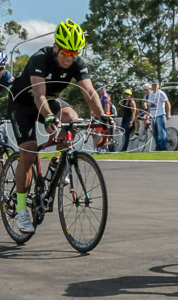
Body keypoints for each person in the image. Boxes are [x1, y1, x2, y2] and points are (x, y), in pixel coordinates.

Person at [7, 19, 114, 234]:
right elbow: (39, 95)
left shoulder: (76, 62)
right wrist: (47, 116)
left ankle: (58, 162)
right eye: (65, 52)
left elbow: (89, 91)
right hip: (23, 104)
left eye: (74, 53)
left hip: (49, 101)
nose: (69, 58)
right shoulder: (40, 58)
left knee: (72, 117)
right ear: (55, 47)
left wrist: (103, 117)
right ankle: (21, 210)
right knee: (27, 155)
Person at [146, 81, 171, 151]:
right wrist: (148, 115)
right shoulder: (150, 94)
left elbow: (167, 103)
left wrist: (168, 112)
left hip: (160, 114)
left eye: (155, 85)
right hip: (153, 115)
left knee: (161, 131)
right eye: (153, 85)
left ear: (158, 86)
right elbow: (149, 106)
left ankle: (163, 147)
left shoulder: (161, 93)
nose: (154, 86)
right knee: (155, 132)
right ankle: (158, 146)